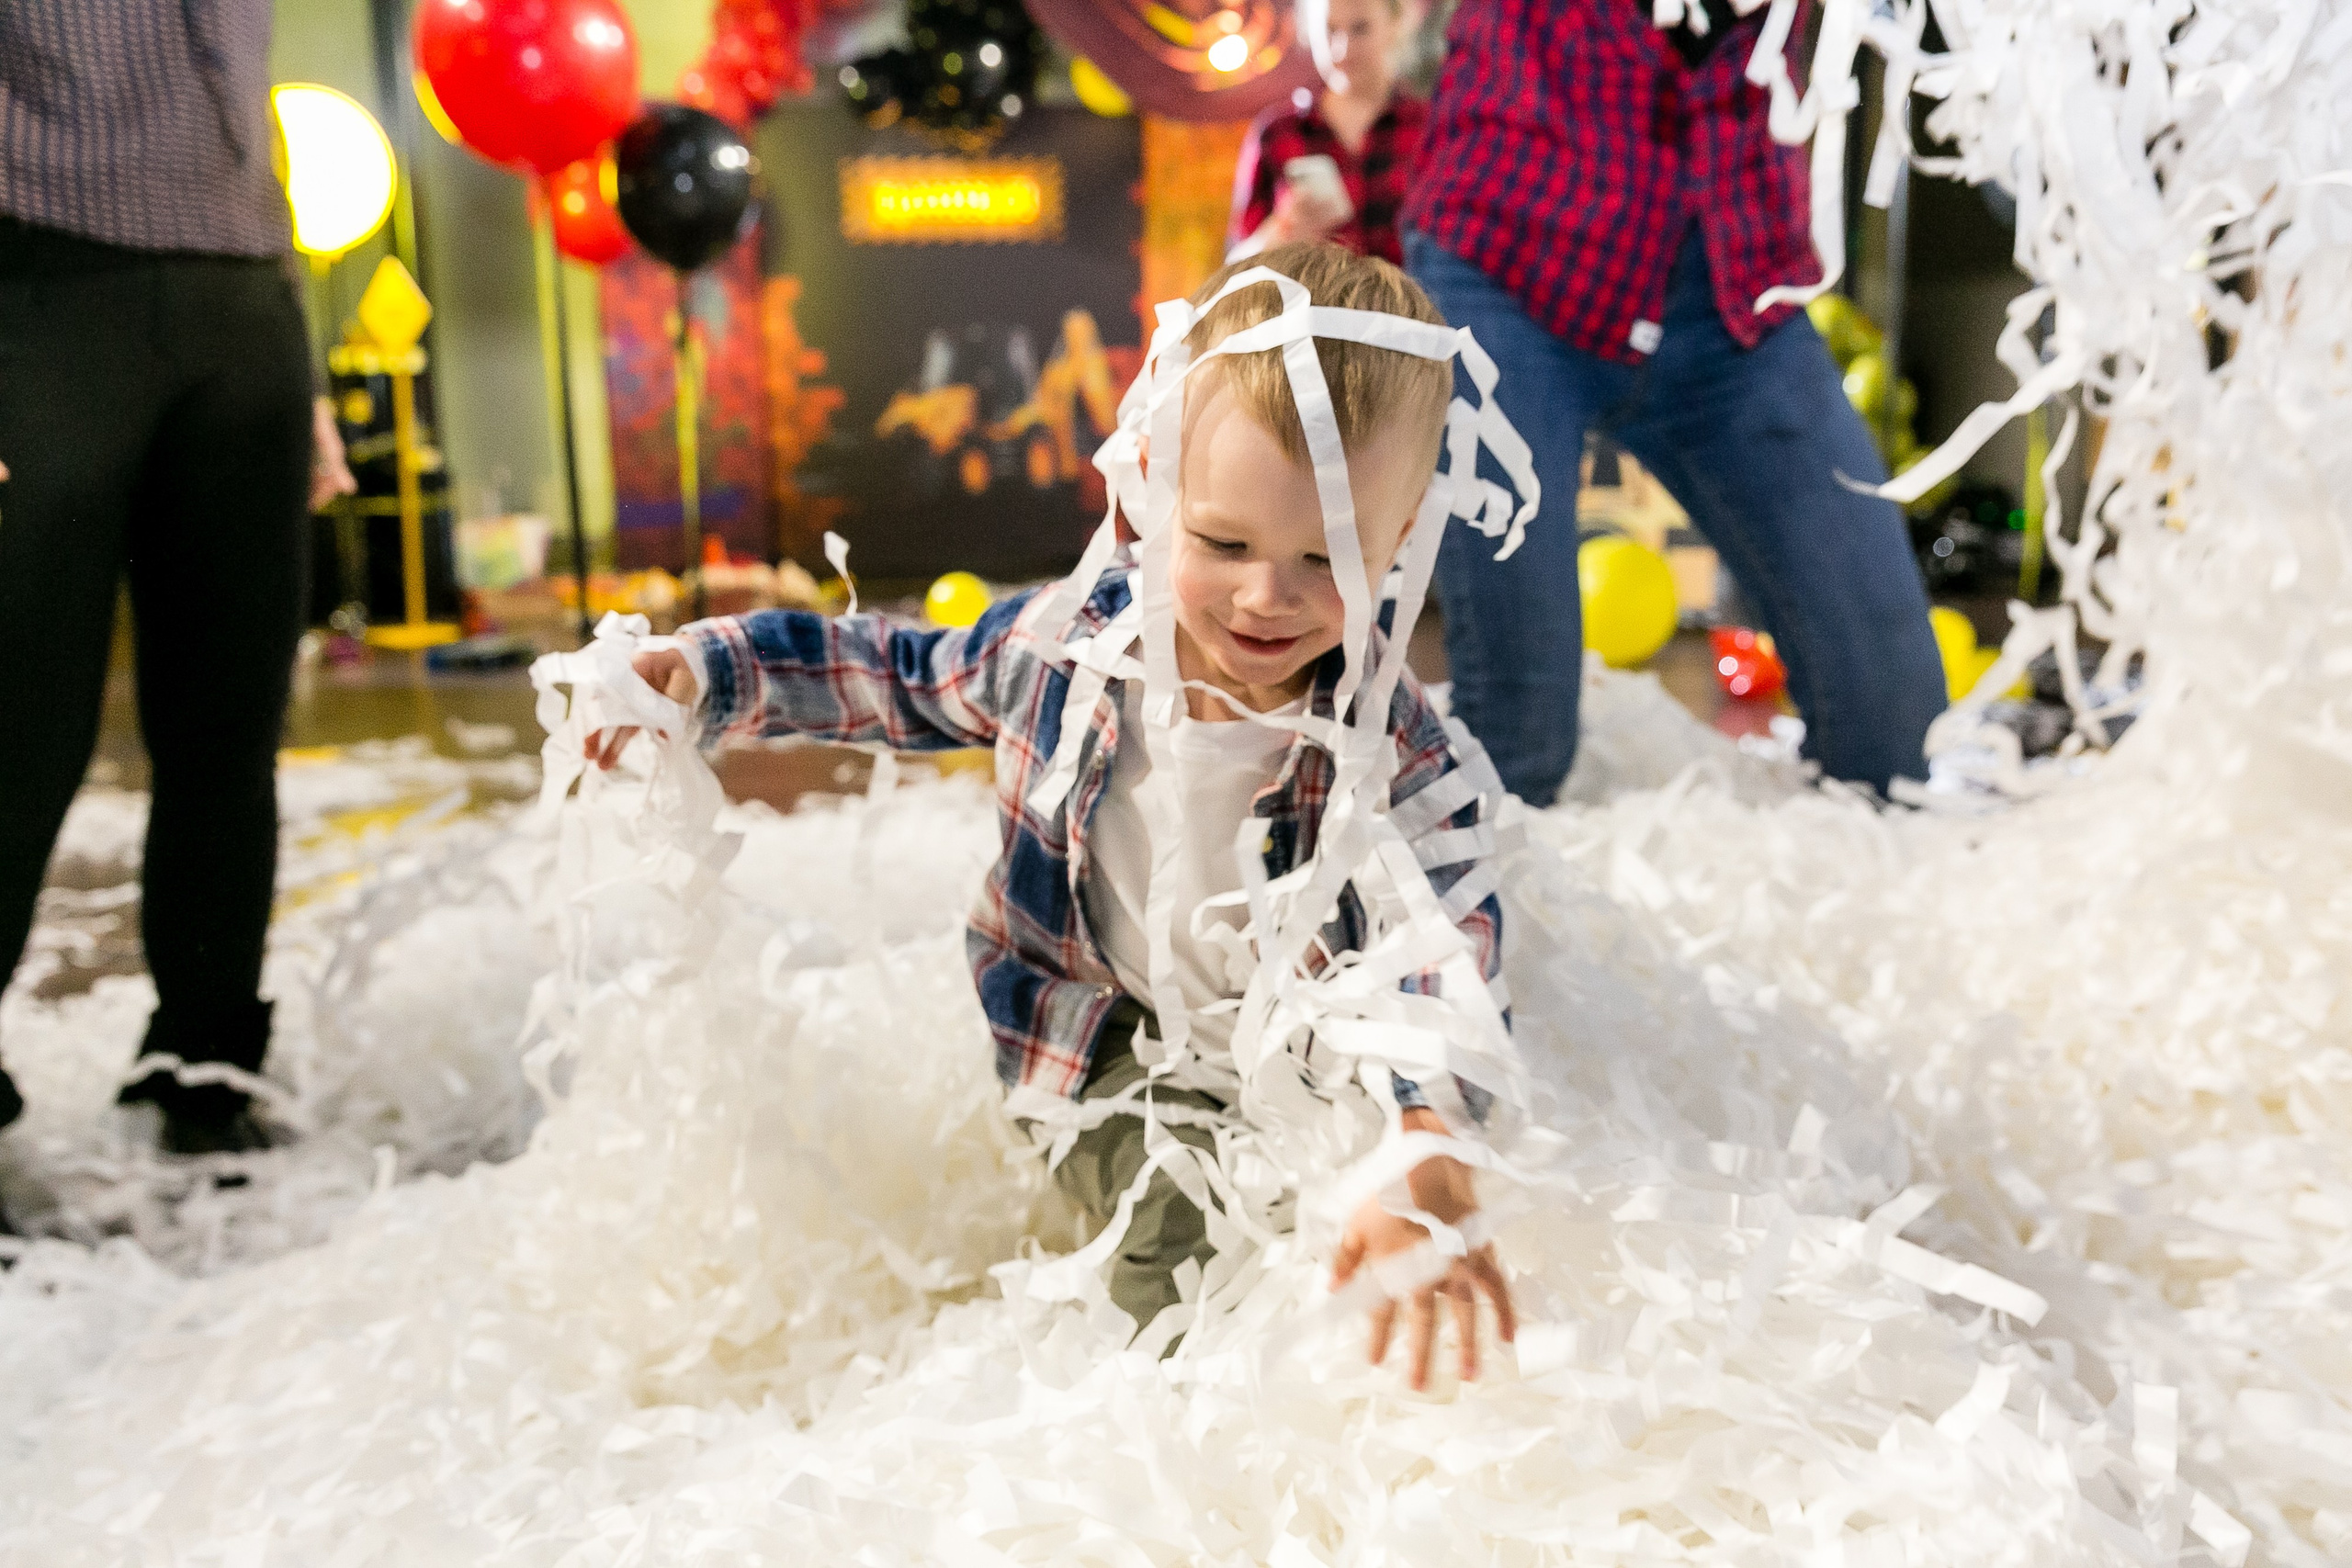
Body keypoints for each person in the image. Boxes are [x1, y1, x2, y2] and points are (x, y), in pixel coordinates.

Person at [589, 245, 1518, 1385]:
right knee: (1176, 1250)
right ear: (1156, 481)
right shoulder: (1071, 651)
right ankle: (1162, 1429)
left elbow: (1441, 952)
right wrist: (712, 668)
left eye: (1331, 559)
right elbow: (896, 674)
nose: (1266, 596)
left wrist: (1427, 1133)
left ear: (1407, 537)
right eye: (1223, 543)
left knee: (1316, 1249)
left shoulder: (1399, 758)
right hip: (1094, 1029)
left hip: (1291, 1059)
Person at [1403, 0, 1948, 805]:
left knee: (1895, 727)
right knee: (1520, 732)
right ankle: (1472, 919)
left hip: (1736, 275)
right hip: (1512, 245)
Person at [0, 0, 355, 1153]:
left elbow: (245, 118)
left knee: (227, 730)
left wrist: (294, 355)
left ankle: (204, 1069)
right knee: (19, 737)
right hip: (40, 300)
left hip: (242, 309)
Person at [1227, 0, 1423, 265]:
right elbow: (1235, 263)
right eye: (1330, 30)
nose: (1342, 50)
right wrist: (1282, 230)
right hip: (1309, 305)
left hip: (1406, 306)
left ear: (1396, 23)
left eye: (1361, 28)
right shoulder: (1277, 131)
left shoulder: (1430, 128)